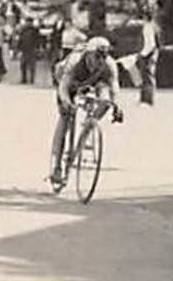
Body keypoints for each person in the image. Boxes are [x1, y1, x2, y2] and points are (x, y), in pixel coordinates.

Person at [50, 36, 122, 186]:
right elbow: (63, 87)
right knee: (65, 117)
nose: (99, 61)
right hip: (69, 82)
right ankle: (55, 165)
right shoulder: (75, 61)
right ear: (88, 54)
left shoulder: (109, 65)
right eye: (96, 57)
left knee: (106, 101)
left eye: (104, 57)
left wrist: (116, 105)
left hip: (94, 82)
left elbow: (114, 87)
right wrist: (67, 102)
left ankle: (89, 127)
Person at [137, 14, 160, 106]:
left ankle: (147, 100)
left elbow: (150, 44)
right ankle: (145, 99)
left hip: (148, 55)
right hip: (152, 54)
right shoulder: (154, 26)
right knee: (147, 77)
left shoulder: (148, 27)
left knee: (147, 77)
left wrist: (142, 54)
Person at [18, 16, 43, 85]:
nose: (28, 23)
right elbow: (20, 39)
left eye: (29, 22)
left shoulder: (31, 30)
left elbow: (38, 40)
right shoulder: (24, 30)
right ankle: (26, 79)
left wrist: (38, 48)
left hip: (30, 49)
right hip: (27, 49)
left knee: (29, 65)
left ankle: (28, 79)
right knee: (25, 65)